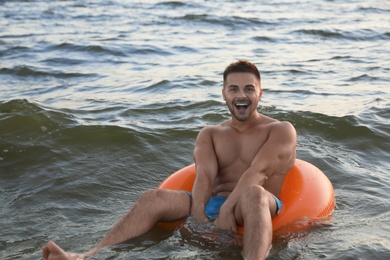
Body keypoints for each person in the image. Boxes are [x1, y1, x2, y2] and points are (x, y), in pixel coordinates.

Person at [42, 60, 297, 260]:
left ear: (260, 93)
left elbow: (258, 173)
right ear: (223, 94)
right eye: (234, 89)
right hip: (215, 203)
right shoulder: (211, 133)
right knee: (153, 197)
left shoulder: (280, 129)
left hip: (254, 203)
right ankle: (87, 256)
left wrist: (228, 210)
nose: (241, 95)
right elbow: (205, 176)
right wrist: (199, 218)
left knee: (252, 191)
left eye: (248, 88)